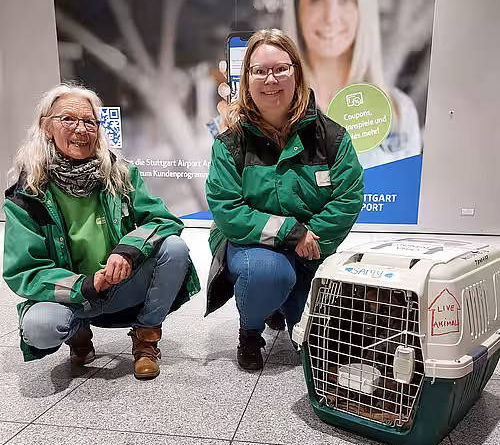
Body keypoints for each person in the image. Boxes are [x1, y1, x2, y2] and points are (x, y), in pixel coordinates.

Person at [3, 83, 200, 380]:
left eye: (89, 122)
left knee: (174, 248)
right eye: (68, 119)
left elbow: (162, 219)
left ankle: (146, 340)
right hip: (72, 295)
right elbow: (24, 271)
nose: (81, 129)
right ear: (46, 127)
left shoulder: (120, 173)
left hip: (119, 287)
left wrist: (128, 251)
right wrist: (83, 286)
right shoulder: (27, 194)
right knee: (39, 327)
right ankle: (78, 334)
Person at [205, 29, 364, 371]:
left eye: (280, 69)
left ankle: (281, 303)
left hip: (311, 247)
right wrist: (292, 233)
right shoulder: (230, 143)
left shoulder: (332, 137)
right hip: (250, 245)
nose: (270, 79)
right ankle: (250, 330)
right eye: (260, 71)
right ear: (247, 78)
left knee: (321, 350)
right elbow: (228, 210)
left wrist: (311, 240)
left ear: (296, 72)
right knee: (268, 273)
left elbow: (348, 198)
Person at [282, 0, 422, 169]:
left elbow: (408, 186)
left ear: (364, 8)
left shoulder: (400, 111)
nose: (330, 17)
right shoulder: (268, 112)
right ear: (296, 8)